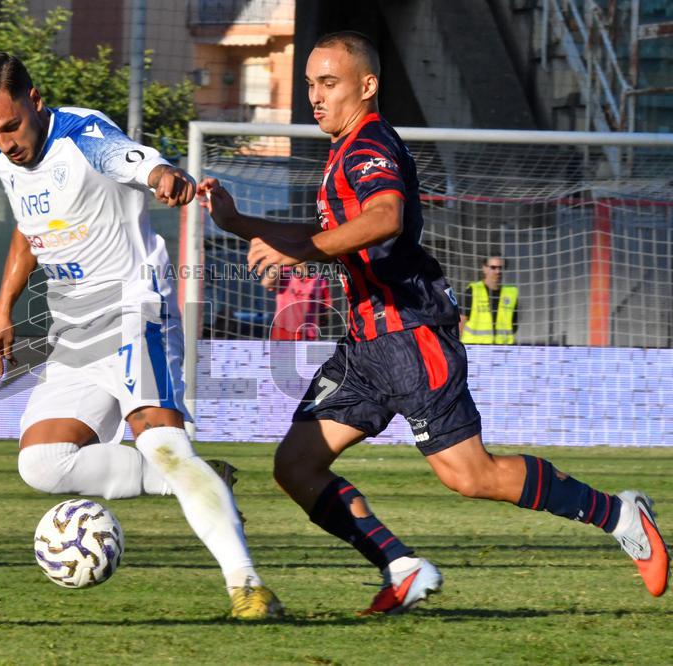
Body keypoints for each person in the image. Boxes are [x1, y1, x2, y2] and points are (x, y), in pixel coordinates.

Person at [198, 31, 668, 614]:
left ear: (367, 86)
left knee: (471, 476)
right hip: (368, 343)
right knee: (296, 465)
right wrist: (241, 222)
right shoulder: (343, 151)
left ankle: (618, 513)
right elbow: (327, 236)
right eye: (310, 84)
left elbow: (385, 217)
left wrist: (304, 249)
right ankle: (401, 566)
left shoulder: (369, 143)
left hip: (411, 333)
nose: (316, 97)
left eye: (329, 83)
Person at [0, 51, 283, 620]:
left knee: (162, 445)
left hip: (135, 312)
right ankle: (191, 479)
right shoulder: (8, 165)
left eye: (10, 126)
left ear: (35, 100)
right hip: (72, 332)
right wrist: (1, 306)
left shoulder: (82, 131)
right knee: (42, 463)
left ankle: (247, 586)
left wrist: (162, 176)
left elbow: (127, 158)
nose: (4, 142)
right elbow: (27, 231)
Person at [263, 264, 333, 340]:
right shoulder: (283, 271)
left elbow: (325, 312)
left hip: (307, 335)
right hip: (282, 331)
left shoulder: (320, 280)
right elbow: (266, 283)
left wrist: (323, 317)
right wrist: (279, 262)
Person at [459, 254, 519, 344]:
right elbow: (460, 323)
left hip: (502, 348)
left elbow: (513, 324)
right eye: (493, 267)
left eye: (500, 268)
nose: (498, 271)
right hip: (475, 348)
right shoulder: (472, 291)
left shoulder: (510, 294)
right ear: (485, 268)